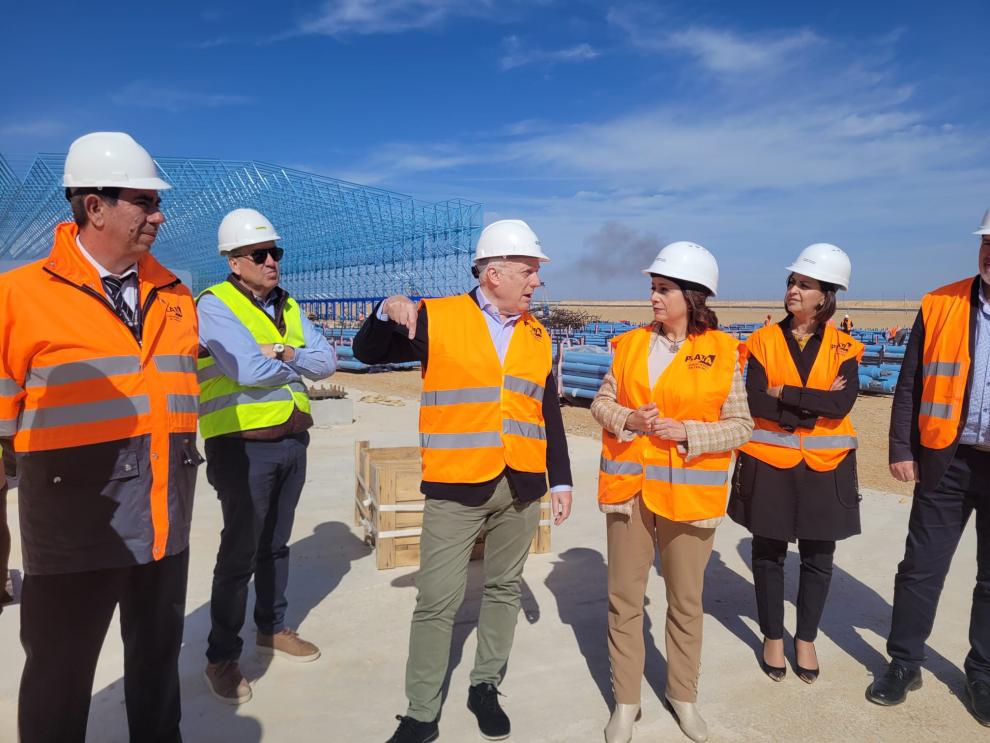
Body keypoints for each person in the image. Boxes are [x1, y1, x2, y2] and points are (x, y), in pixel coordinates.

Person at [0, 132, 200, 742]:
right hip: (72, 536)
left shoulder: (176, 296)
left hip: (166, 528)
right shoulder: (20, 297)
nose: (158, 215)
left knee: (157, 671)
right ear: (95, 207)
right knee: (59, 683)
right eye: (143, 201)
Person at [352, 219, 573, 743]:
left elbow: (548, 414)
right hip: (456, 486)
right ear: (493, 272)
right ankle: (421, 713)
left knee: (502, 590)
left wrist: (559, 482)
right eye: (528, 271)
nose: (536, 282)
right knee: (436, 600)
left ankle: (485, 685)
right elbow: (368, 353)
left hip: (520, 486)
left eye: (536, 273)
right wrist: (387, 308)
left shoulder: (539, 335)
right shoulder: (438, 317)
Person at [591, 241, 753, 743]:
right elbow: (600, 403)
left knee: (685, 601)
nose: (654, 298)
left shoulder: (724, 354)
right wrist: (628, 419)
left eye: (663, 290)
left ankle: (682, 695)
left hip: (688, 496)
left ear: (693, 295)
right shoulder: (628, 345)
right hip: (630, 491)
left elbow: (742, 426)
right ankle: (626, 703)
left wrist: (690, 433)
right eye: (653, 289)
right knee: (624, 599)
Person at [197, 208, 337, 704]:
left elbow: (327, 362)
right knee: (239, 552)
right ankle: (222, 656)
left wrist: (280, 352)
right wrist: (289, 358)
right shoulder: (214, 304)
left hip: (291, 440)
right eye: (261, 254)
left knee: (275, 545)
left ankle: (271, 628)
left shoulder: (289, 305)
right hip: (239, 445)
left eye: (276, 252)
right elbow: (244, 368)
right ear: (235, 262)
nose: (272, 260)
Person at [866, 208, 990, 726]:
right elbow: (910, 380)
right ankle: (904, 663)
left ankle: (983, 672)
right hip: (948, 459)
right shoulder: (941, 303)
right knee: (920, 568)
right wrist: (901, 447)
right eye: (988, 242)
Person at [727, 243, 862, 684]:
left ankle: (805, 638)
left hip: (827, 464)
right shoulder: (762, 341)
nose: (793, 290)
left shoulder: (845, 345)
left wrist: (786, 394)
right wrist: (805, 405)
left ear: (826, 295)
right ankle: (772, 637)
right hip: (770, 461)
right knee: (768, 554)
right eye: (792, 282)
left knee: (819, 556)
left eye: (804, 284)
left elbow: (841, 404)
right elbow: (756, 399)